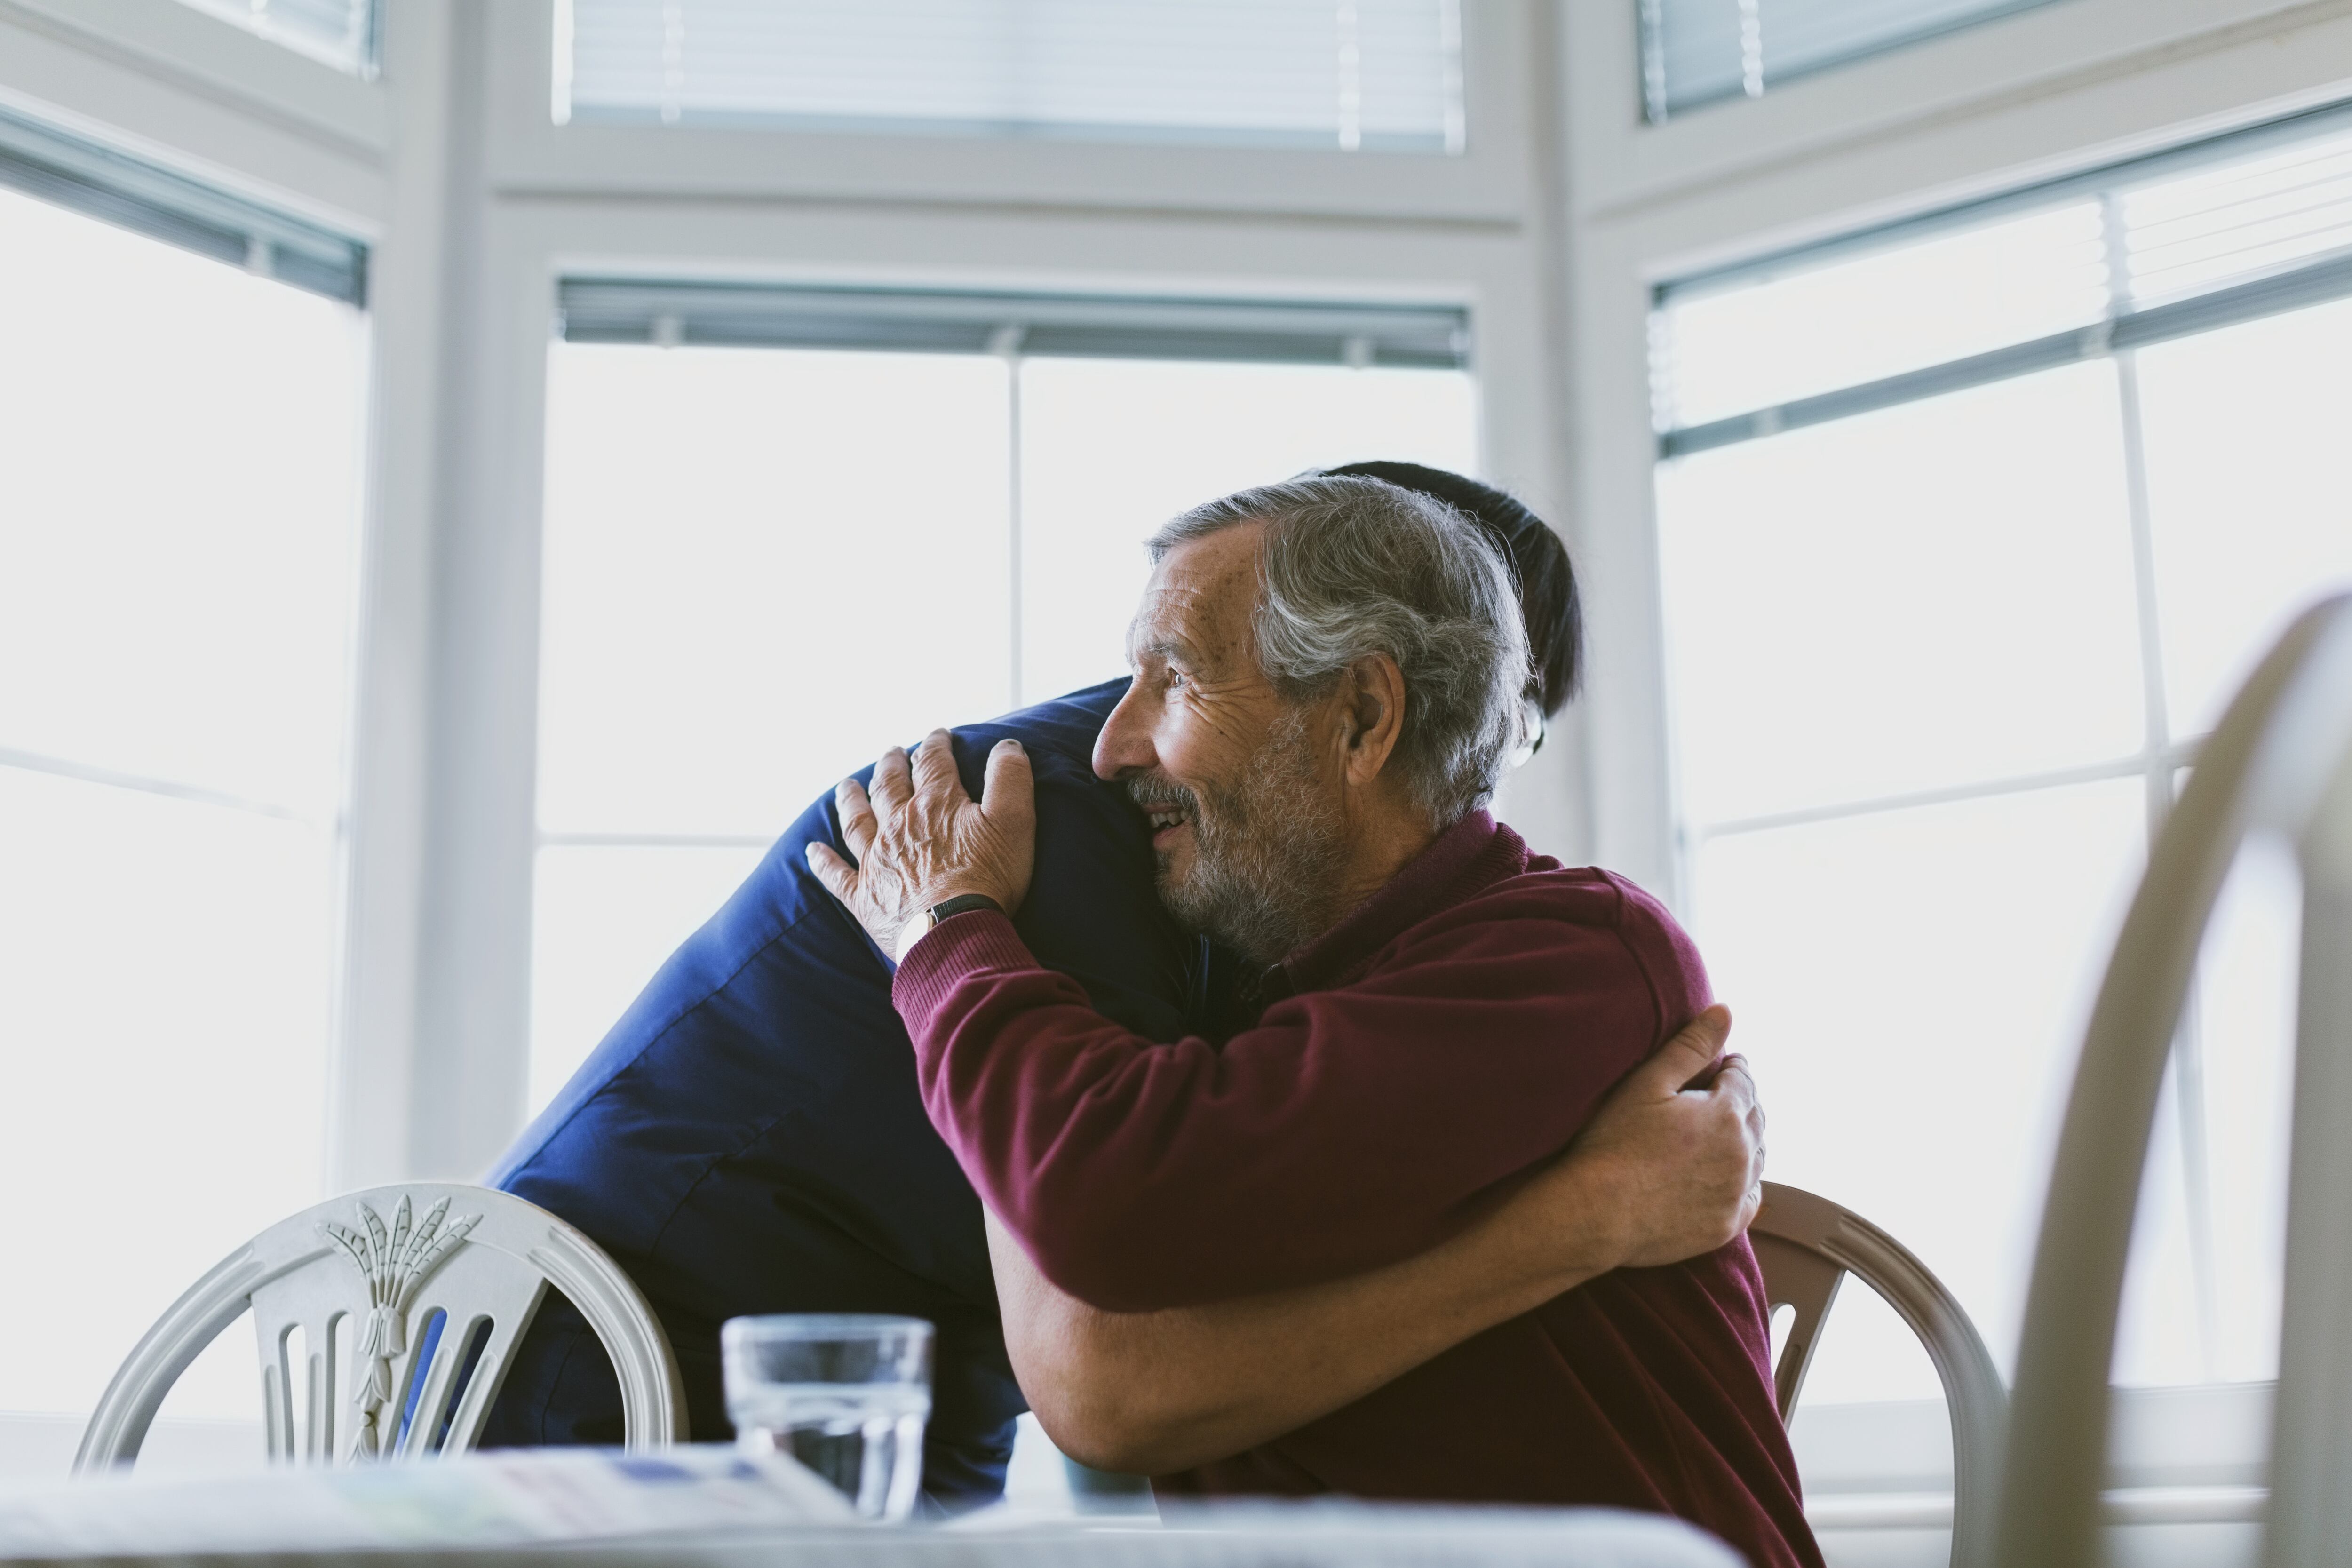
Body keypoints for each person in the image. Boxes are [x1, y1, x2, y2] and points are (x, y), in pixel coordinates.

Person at [484, 464, 1761, 1513]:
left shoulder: (1529, 953)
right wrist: (1585, 1217)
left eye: (1510, 719)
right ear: (1376, 694)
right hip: (619, 1362)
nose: (1483, 759)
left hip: (882, 1401)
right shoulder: (1063, 830)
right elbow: (1110, 1343)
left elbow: (1123, 1329)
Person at [810, 475, 1819, 1566]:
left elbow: (1107, 1186)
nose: (1110, 746)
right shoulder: (1273, 1010)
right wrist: (1586, 1219)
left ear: (1364, 717)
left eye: (1177, 678)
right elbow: (1116, 1394)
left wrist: (944, 931)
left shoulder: (1572, 954)